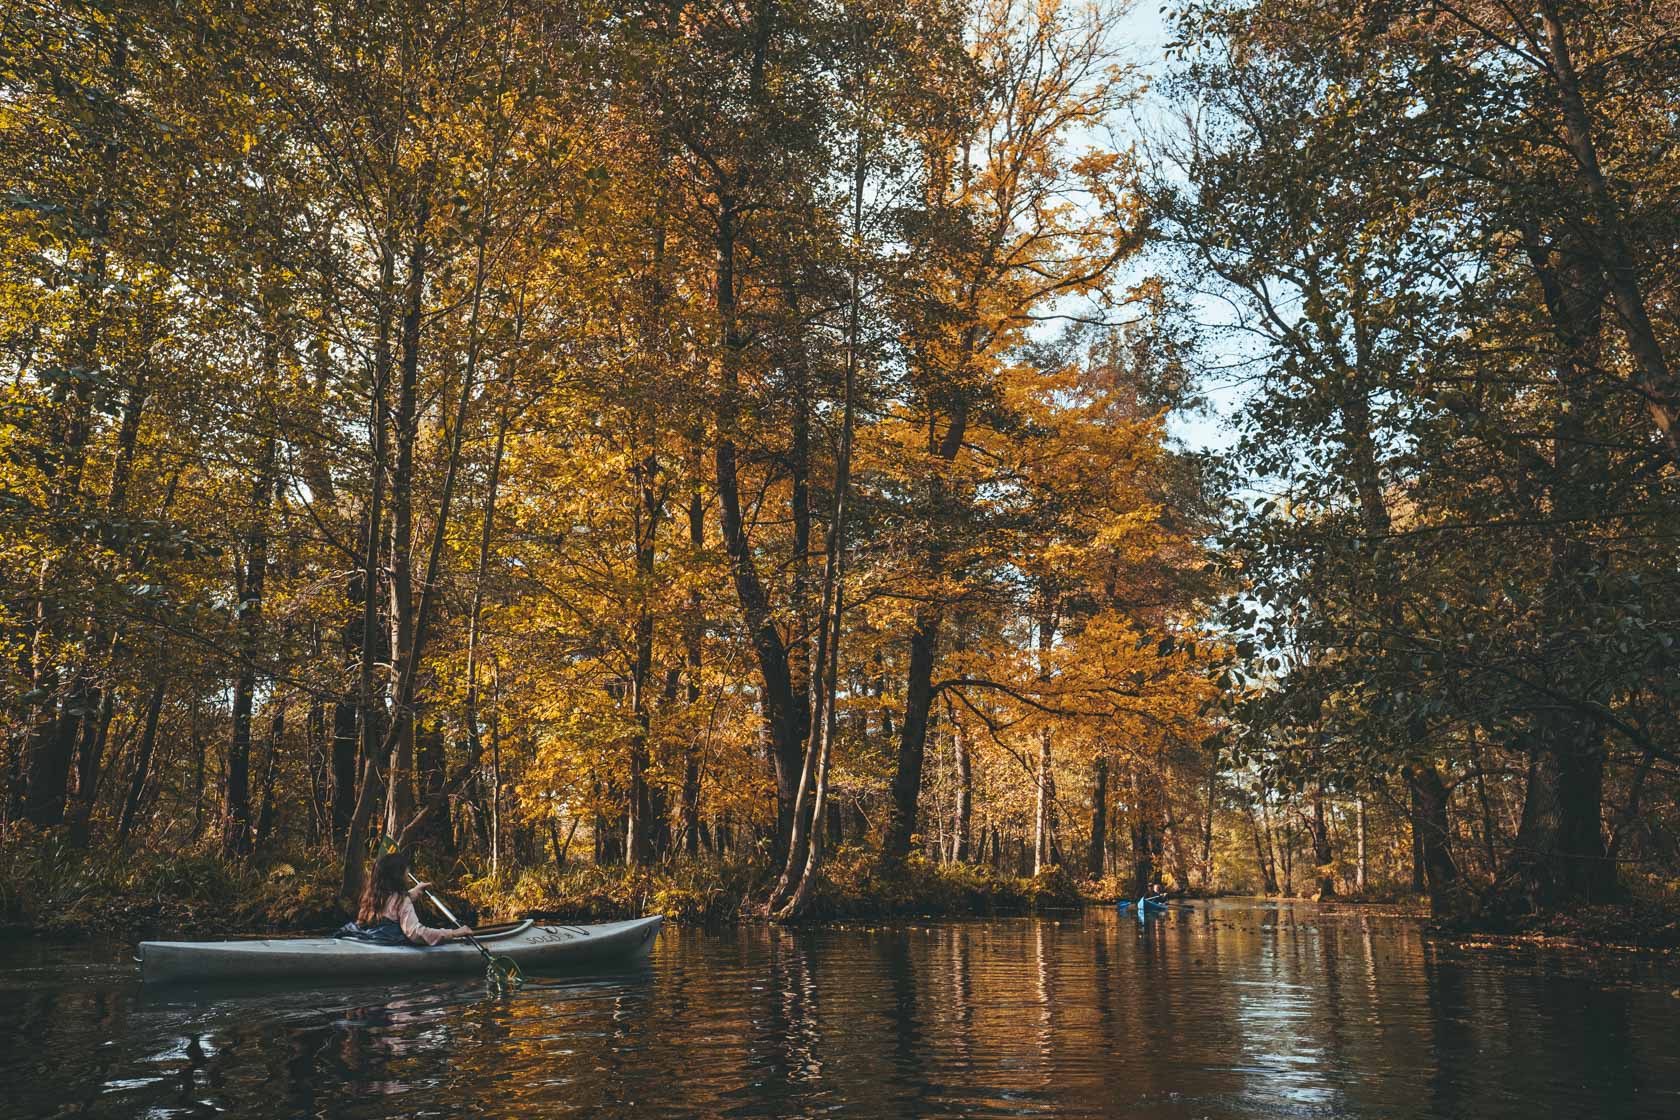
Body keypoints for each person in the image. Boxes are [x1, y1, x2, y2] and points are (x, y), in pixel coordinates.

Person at [350, 851, 472, 946]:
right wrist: (454, 933)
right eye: (406, 871)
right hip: (385, 944)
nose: (408, 873)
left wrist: (412, 893)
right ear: (398, 876)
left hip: (368, 939)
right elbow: (415, 933)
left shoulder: (373, 896)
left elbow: (392, 905)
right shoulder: (402, 901)